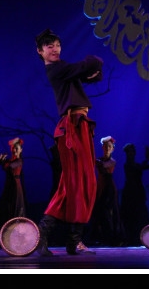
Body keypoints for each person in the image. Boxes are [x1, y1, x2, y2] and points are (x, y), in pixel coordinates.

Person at [36, 30, 103, 256]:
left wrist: (90, 71)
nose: (55, 49)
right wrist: (91, 64)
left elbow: (92, 74)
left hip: (79, 124)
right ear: (40, 51)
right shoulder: (56, 69)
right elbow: (92, 64)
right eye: (49, 46)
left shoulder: (64, 70)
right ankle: (48, 233)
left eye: (57, 45)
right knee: (78, 183)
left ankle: (72, 240)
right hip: (72, 126)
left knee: (80, 183)